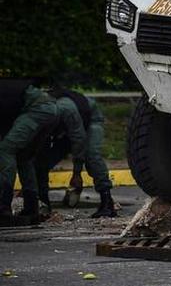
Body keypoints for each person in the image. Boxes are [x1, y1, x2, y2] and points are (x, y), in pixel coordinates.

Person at [35, 87, 114, 218]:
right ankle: (43, 203)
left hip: (89, 119)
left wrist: (77, 174)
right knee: (41, 161)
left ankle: (107, 202)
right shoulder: (34, 114)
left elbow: (79, 140)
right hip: (64, 126)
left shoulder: (66, 110)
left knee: (92, 157)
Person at [0, 79, 60, 220]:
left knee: (5, 150)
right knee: (23, 157)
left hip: (37, 110)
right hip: (51, 109)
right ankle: (31, 207)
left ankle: (3, 207)